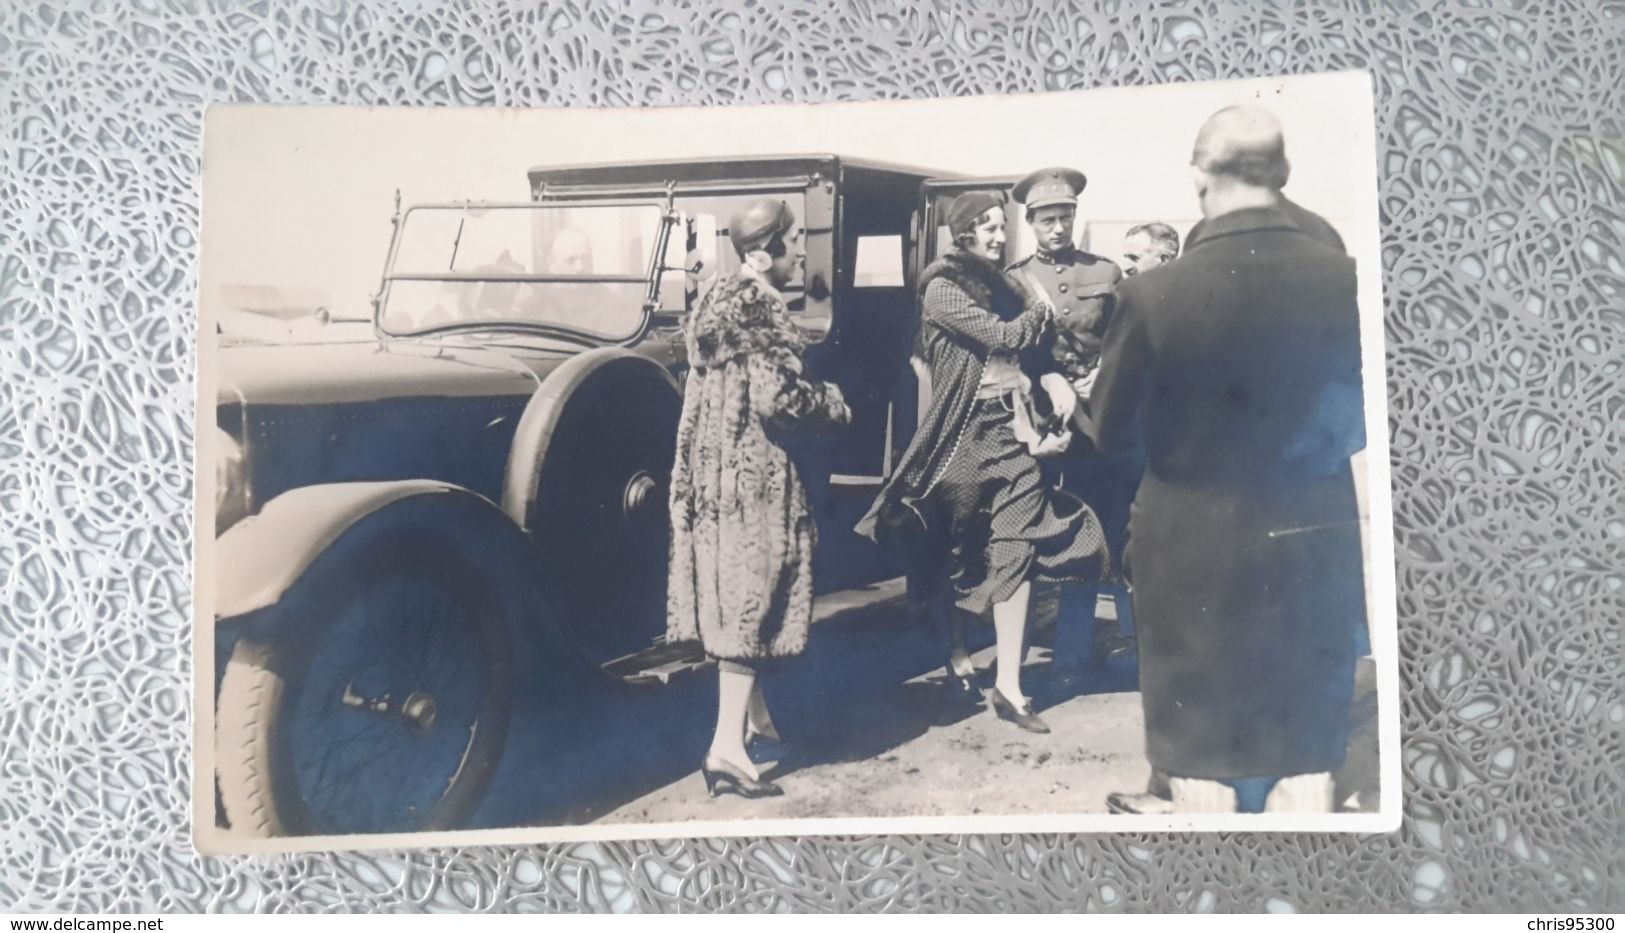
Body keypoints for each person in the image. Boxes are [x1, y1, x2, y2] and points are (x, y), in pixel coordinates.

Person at [1090, 105, 1367, 814]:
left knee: (1203, 765)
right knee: (1304, 758)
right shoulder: (1342, 277)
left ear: (1197, 175)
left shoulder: (1152, 293)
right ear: (1281, 173)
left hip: (1191, 551)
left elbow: (1108, 431)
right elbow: (1357, 422)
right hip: (1312, 536)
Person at [857, 191, 1108, 734]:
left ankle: (1010, 688)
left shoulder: (1004, 286)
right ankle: (956, 654)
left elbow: (1033, 351)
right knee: (956, 548)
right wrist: (1039, 302)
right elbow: (1007, 336)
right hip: (960, 439)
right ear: (965, 233)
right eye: (989, 228)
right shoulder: (942, 289)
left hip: (1010, 435)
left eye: (1001, 227)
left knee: (1016, 546)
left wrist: (1051, 374)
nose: (1000, 236)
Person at [666, 198, 851, 799]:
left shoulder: (713, 309)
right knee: (754, 610)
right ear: (761, 253)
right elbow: (780, 403)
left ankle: (758, 722)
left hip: (717, 486)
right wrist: (832, 401)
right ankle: (726, 750)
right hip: (758, 485)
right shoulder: (764, 315)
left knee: (739, 603)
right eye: (793, 242)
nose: (801, 252)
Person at [1004, 168, 1126, 683]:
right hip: (1048, 424)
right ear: (1031, 222)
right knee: (1055, 538)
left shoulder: (1106, 271)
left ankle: (1106, 651)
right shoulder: (1015, 279)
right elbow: (1013, 351)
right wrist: (1050, 376)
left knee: (1108, 532)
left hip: (1100, 420)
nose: (1058, 227)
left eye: (1066, 216)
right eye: (1048, 219)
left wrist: (1102, 373)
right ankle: (1055, 655)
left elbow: (1126, 336)